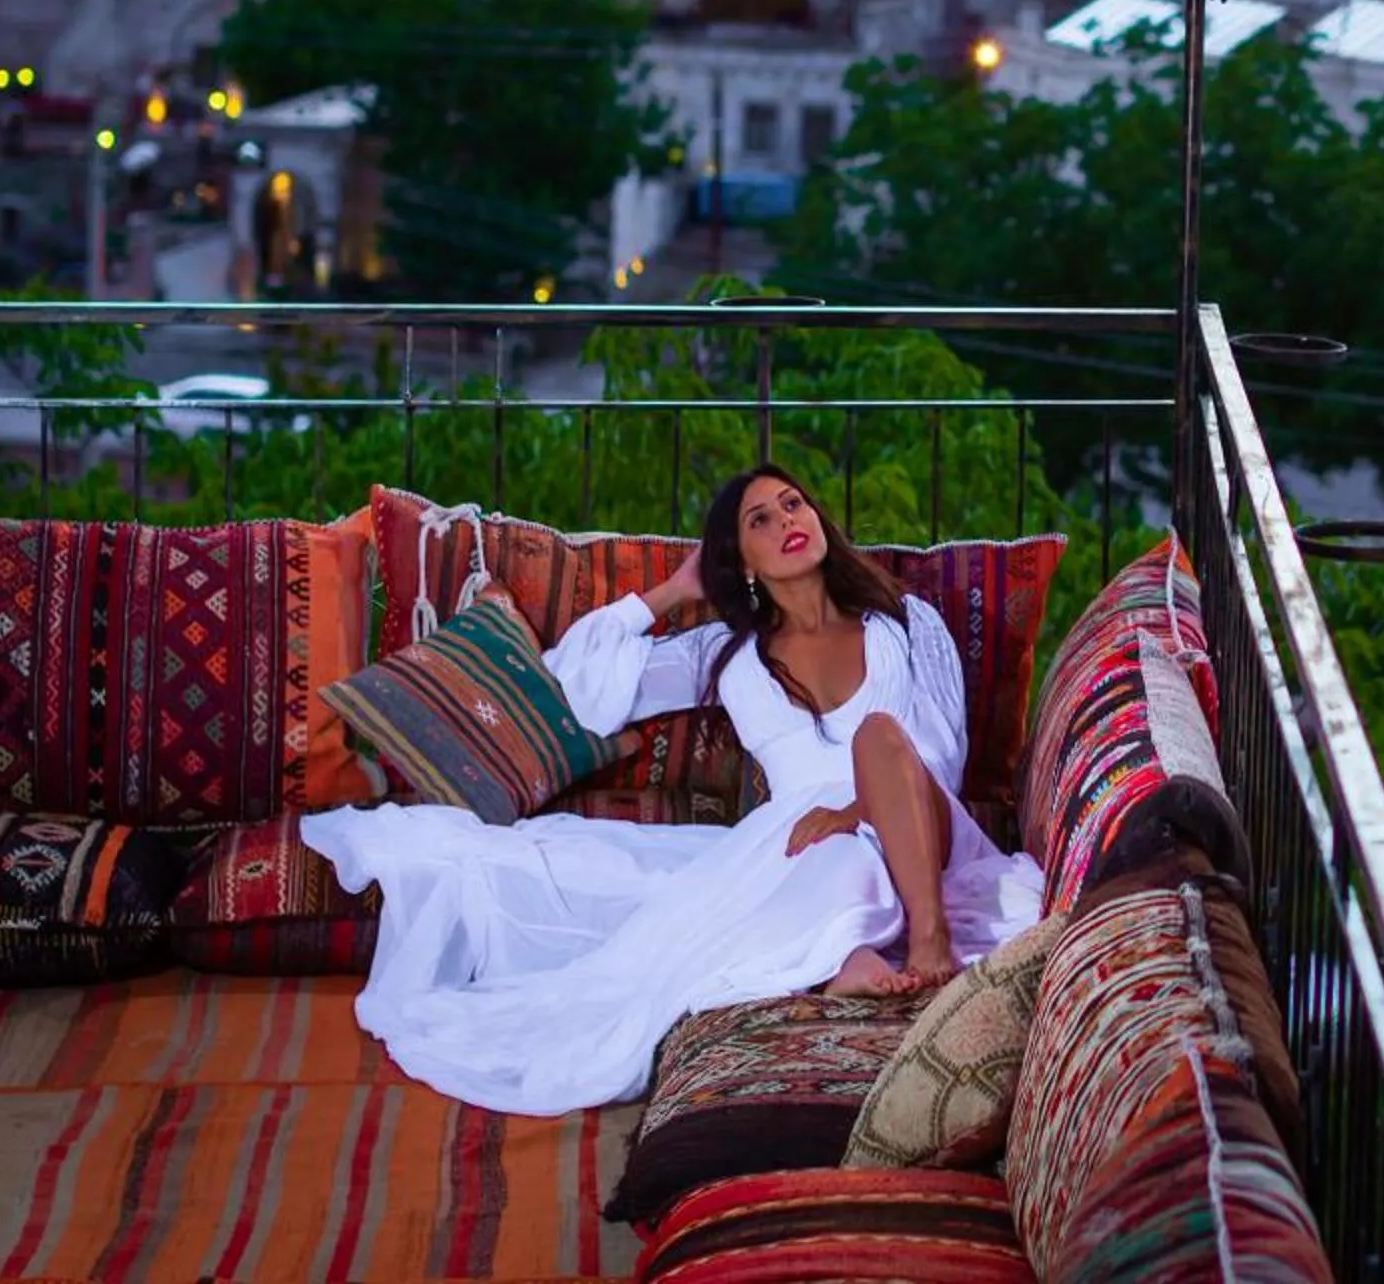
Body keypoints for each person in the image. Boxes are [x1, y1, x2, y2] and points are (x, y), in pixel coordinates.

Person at [297, 464, 1044, 1117]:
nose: (788, 521)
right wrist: (673, 590)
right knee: (828, 858)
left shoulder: (901, 622)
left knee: (878, 740)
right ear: (738, 558)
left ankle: (926, 943)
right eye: (761, 519)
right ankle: (844, 961)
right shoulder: (730, 658)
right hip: (803, 844)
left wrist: (858, 808)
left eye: (794, 505)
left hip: (917, 815)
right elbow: (578, 689)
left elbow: (938, 749)